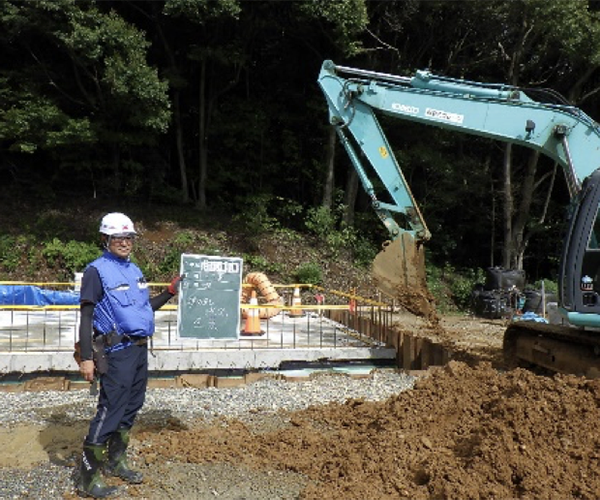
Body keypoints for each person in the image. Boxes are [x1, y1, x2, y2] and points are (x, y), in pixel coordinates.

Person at [76, 212, 182, 498]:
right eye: (118, 237)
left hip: (138, 350)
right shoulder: (96, 271)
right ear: (105, 239)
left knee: (132, 406)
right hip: (115, 352)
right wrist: (86, 357)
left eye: (129, 237)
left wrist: (170, 292)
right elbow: (86, 316)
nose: (125, 242)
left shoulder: (134, 270)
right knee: (110, 409)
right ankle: (87, 477)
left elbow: (144, 308)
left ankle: (116, 460)